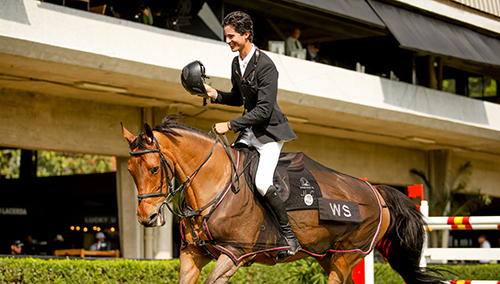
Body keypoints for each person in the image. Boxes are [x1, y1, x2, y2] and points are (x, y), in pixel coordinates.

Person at [203, 11, 301, 261]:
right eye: (226, 36)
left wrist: (231, 124)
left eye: (232, 36)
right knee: (231, 172)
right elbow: (238, 98)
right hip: (249, 131)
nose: (228, 41)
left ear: (247, 34)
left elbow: (264, 110)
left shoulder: (266, 65)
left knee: (261, 183)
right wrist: (215, 94)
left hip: (268, 133)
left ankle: (289, 236)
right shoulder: (237, 63)